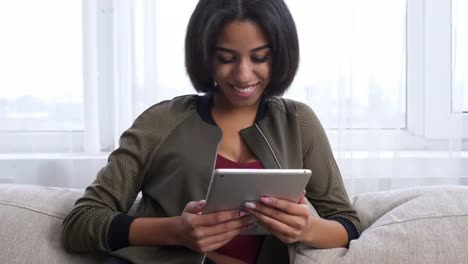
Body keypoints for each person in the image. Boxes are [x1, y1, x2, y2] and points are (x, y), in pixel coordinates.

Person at [62, 0, 361, 263]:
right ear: (205, 55)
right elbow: (81, 222)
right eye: (226, 58)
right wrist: (175, 231)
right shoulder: (161, 121)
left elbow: (347, 223)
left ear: (280, 55)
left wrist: (308, 228)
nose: (243, 74)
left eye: (259, 58)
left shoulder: (299, 123)